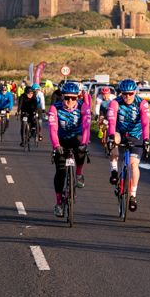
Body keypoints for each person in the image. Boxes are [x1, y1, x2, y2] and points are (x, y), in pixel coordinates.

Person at [48, 81, 92, 217]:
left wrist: (84, 143)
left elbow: (86, 127)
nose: (70, 101)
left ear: (77, 98)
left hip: (76, 138)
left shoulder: (83, 107)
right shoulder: (55, 108)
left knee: (81, 148)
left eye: (73, 98)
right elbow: (52, 129)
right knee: (60, 173)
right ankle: (59, 203)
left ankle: (78, 173)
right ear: (62, 97)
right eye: (67, 98)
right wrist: (56, 145)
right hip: (60, 140)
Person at [106, 79, 150, 212]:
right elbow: (112, 121)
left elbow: (145, 123)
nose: (127, 96)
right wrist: (110, 137)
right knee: (113, 139)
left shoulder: (142, 103)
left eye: (130, 94)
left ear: (135, 93)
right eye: (124, 94)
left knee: (133, 164)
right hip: (120, 132)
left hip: (136, 135)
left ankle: (133, 195)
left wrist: (147, 139)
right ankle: (114, 169)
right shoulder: (115, 103)